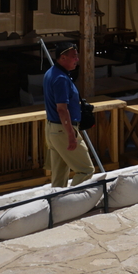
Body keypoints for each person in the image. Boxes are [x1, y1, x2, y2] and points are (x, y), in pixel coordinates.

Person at [43, 46, 95, 188]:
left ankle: (57, 202)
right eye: (74, 56)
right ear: (63, 57)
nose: (77, 60)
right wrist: (71, 135)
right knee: (86, 170)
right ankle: (74, 199)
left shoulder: (51, 73)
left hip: (53, 129)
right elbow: (62, 109)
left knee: (59, 173)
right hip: (63, 129)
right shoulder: (60, 78)